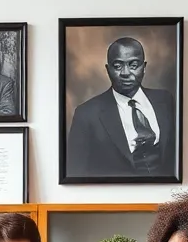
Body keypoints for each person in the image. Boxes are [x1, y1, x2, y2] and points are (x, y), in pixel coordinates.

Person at [66, 37, 176, 178]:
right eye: (118, 66)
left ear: (144, 67)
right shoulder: (86, 114)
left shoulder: (165, 100)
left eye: (133, 65)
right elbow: (76, 172)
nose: (125, 72)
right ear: (107, 69)